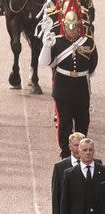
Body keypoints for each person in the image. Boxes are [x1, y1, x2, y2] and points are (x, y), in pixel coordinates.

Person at [39, 0, 97, 158]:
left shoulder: (88, 41)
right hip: (63, 87)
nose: (72, 30)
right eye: (69, 27)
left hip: (81, 88)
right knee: (64, 123)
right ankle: (65, 152)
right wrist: (46, 45)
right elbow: (45, 63)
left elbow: (92, 66)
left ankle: (82, 151)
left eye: (75, 27)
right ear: (64, 25)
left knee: (83, 121)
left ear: (79, 26)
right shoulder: (58, 41)